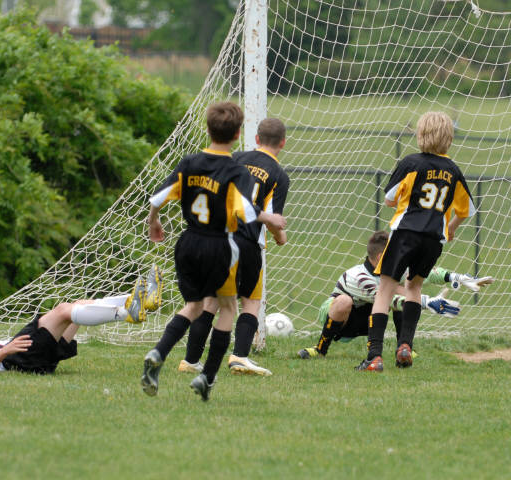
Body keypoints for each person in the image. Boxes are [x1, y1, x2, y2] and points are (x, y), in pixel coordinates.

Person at [140, 102, 286, 401]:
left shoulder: (189, 163)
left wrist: (153, 222)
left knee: (195, 305)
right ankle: (207, 376)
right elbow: (246, 211)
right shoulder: (234, 171)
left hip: (187, 242)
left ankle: (160, 351)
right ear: (238, 134)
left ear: (208, 129)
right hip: (219, 244)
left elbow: (157, 198)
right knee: (229, 307)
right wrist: (270, 219)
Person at [357, 111, 476, 372]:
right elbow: (466, 210)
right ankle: (405, 347)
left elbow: (389, 200)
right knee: (414, 287)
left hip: (405, 233)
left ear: (420, 135)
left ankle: (374, 357)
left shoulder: (411, 163)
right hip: (433, 240)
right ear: (449, 139)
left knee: (385, 290)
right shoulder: (454, 171)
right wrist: (451, 228)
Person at [178, 118, 290, 377]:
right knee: (251, 301)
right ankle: (239, 356)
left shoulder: (235, 158)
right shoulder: (279, 175)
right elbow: (272, 218)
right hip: (247, 242)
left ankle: (190, 360)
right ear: (283, 143)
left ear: (257, 139)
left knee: (211, 300)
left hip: (216, 238)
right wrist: (280, 237)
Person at [0, 266, 163, 374]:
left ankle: (137, 301)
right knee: (63, 310)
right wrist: (6, 350)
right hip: (19, 359)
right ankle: (127, 312)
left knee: (78, 306)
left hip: (33, 360)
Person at [296, 231, 492, 360]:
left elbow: (425, 273)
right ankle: (320, 349)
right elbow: (385, 299)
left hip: (367, 319)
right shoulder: (357, 276)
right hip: (340, 319)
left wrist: (456, 277)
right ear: (381, 257)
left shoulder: (391, 269)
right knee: (345, 300)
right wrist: (427, 302)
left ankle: (404, 347)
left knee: (400, 289)